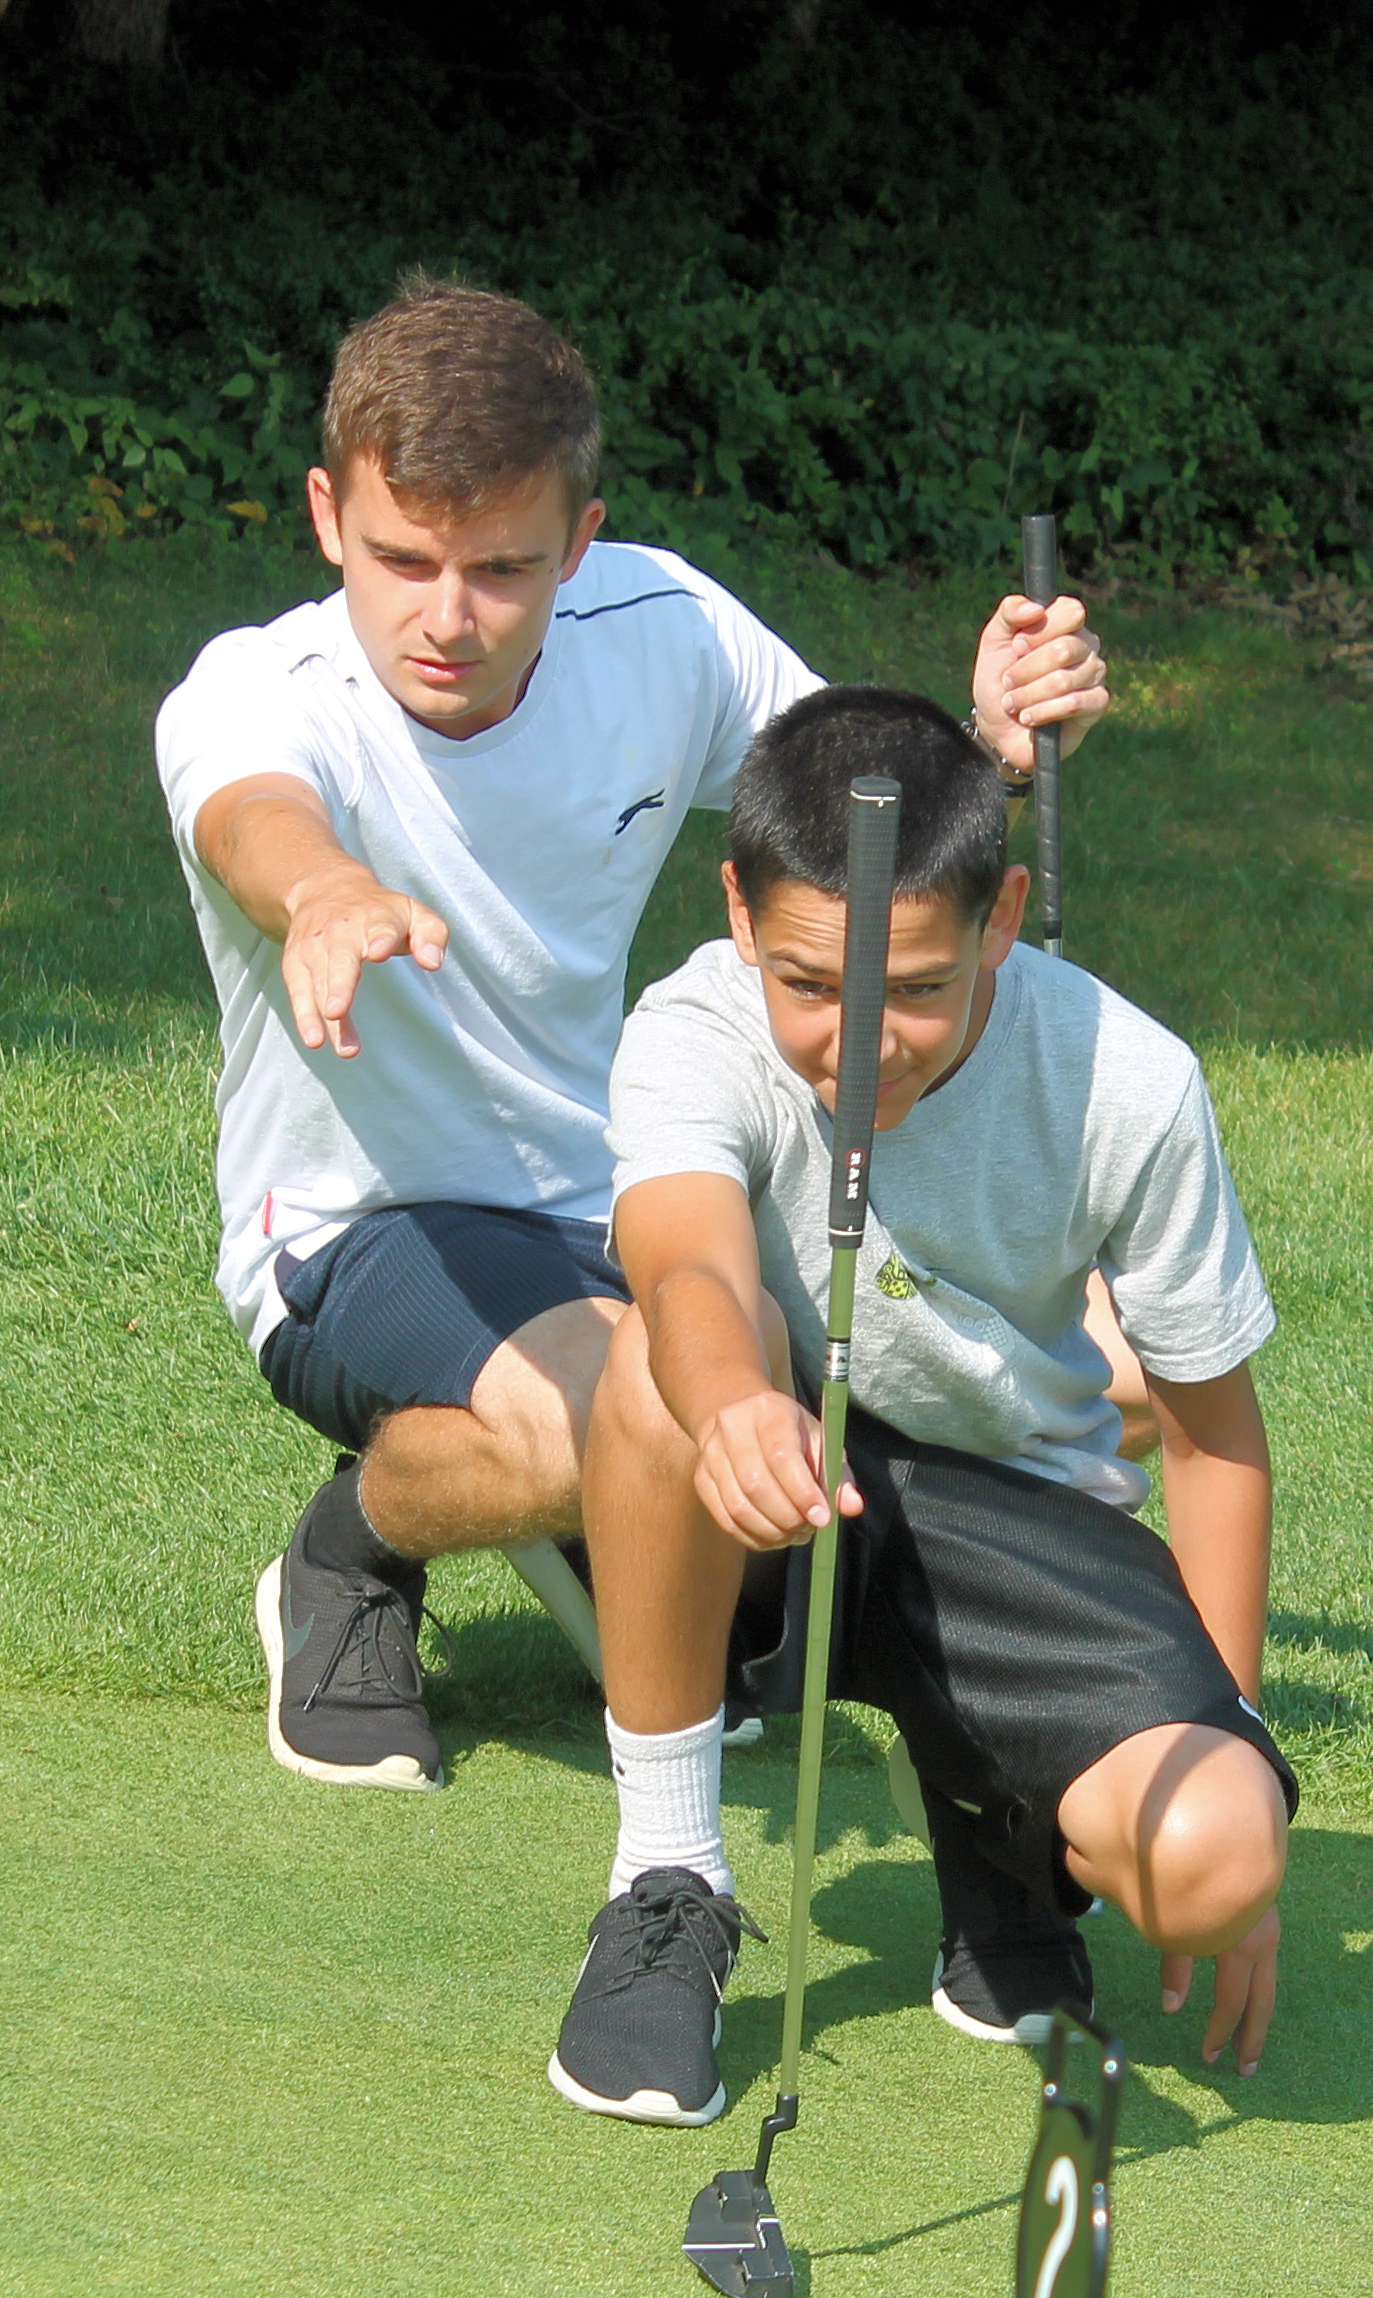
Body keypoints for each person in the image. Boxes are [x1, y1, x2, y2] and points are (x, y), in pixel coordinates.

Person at [156, 277, 1109, 1793]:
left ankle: (634, 1523)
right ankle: (351, 1548)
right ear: (327, 516)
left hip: (624, 1180)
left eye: (502, 567)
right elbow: (250, 815)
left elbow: (852, 801)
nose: (448, 618)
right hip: (356, 1224)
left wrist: (978, 747)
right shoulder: (258, 691)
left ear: (577, 544)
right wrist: (328, 892)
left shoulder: (659, 625)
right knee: (642, 1422)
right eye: (402, 560)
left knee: (1012, 1374)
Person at [548, 683, 1295, 2130]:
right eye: (811, 985)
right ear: (736, 906)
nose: (859, 1040)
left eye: (917, 989)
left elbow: (1211, 1440)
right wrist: (732, 1410)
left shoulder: (1132, 1080)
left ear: (1003, 917)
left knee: (1212, 1854)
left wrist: (1237, 1733)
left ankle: (990, 1839)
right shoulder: (693, 1027)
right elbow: (687, 1265)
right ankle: (668, 1873)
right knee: (661, 1369)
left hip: (1018, 1522)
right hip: (765, 1491)